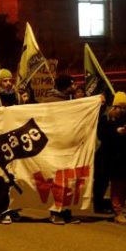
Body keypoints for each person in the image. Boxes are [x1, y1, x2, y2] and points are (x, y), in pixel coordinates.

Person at [40, 73, 80, 224]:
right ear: (66, 86)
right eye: (72, 84)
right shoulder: (49, 101)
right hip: (54, 147)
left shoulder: (70, 101)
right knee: (57, 180)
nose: (75, 87)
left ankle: (66, 211)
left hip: (68, 146)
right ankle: (55, 212)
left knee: (69, 180)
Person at [97, 91, 126, 224]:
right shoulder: (106, 118)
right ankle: (117, 211)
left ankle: (121, 207)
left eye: (124, 107)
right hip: (112, 156)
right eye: (120, 107)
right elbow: (102, 135)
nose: (122, 110)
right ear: (114, 106)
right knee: (117, 184)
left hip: (124, 155)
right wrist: (116, 132)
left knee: (124, 184)